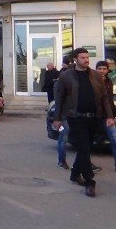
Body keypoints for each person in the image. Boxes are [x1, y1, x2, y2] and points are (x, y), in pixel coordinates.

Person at [53, 49, 115, 197]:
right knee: (85, 148)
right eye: (82, 58)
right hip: (76, 117)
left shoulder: (95, 75)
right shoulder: (66, 76)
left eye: (87, 57)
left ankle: (74, 173)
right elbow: (60, 98)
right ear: (75, 59)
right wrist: (57, 118)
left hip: (94, 117)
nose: (86, 60)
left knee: (84, 148)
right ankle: (89, 182)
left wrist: (110, 116)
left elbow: (105, 97)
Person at [96, 60, 116, 171]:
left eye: (104, 69)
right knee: (89, 142)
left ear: (107, 70)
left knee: (114, 139)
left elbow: (110, 100)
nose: (102, 71)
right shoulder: (92, 80)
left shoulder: (109, 81)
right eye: (99, 68)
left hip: (108, 116)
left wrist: (113, 115)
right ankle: (85, 165)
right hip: (95, 116)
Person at [56, 56, 73, 169]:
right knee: (63, 137)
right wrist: (58, 118)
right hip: (63, 117)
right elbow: (58, 100)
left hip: (74, 115)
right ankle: (62, 160)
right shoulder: (61, 81)